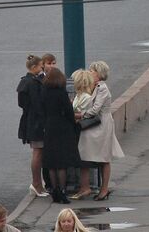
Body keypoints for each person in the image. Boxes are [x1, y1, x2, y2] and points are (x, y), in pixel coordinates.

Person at [77, 61, 123, 200]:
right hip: (97, 124)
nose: (90, 73)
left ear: (99, 74)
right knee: (89, 153)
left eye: (92, 71)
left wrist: (80, 115)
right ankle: (90, 187)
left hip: (102, 125)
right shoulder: (96, 86)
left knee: (104, 157)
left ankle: (104, 189)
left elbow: (95, 109)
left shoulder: (102, 88)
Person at [39, 68, 81, 204]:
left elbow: (42, 110)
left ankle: (55, 190)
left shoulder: (44, 92)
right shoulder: (61, 93)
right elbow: (69, 112)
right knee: (61, 163)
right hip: (62, 127)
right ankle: (62, 190)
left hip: (49, 127)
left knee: (51, 163)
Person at [16, 55, 47, 198]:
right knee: (38, 152)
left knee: (37, 152)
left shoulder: (25, 82)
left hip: (30, 121)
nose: (43, 69)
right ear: (34, 67)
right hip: (37, 123)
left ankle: (38, 184)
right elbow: (38, 104)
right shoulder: (33, 83)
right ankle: (36, 184)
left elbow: (22, 103)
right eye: (41, 66)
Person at [68, 70, 95, 200]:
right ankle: (83, 187)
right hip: (78, 131)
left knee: (84, 160)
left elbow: (84, 113)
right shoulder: (80, 96)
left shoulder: (86, 97)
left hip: (83, 131)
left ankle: (85, 187)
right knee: (81, 159)